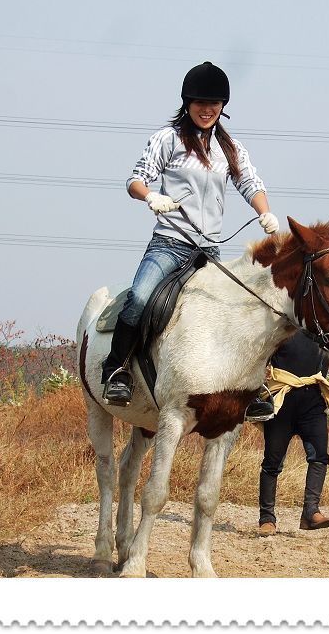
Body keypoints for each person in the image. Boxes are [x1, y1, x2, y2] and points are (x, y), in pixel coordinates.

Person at [101, 61, 279, 420]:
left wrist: (264, 212)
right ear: (187, 102)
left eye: (214, 103)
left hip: (209, 250)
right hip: (170, 244)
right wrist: (150, 196)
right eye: (200, 102)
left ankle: (254, 384)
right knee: (139, 297)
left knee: (248, 307)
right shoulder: (167, 139)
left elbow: (250, 183)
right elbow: (136, 180)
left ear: (223, 106)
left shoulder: (230, 149)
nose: (207, 108)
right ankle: (115, 370)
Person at [257, 331, 329, 535]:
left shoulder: (324, 335)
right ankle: (267, 518)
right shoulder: (281, 331)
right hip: (281, 402)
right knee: (272, 462)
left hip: (312, 401)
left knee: (320, 456)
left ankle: (310, 513)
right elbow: (259, 363)